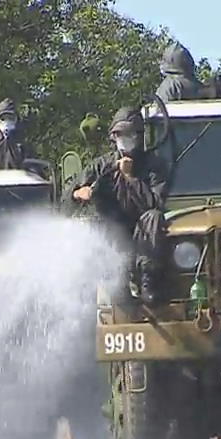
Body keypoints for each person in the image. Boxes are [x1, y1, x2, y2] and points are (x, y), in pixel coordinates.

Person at [68, 106, 169, 305]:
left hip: (143, 230)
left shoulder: (154, 165)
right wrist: (78, 193)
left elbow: (155, 202)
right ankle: (117, 283)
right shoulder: (102, 165)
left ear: (139, 136)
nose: (125, 138)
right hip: (114, 229)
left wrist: (130, 177)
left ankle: (147, 281)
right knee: (99, 222)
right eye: (119, 134)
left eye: (129, 134)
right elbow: (70, 191)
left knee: (154, 216)